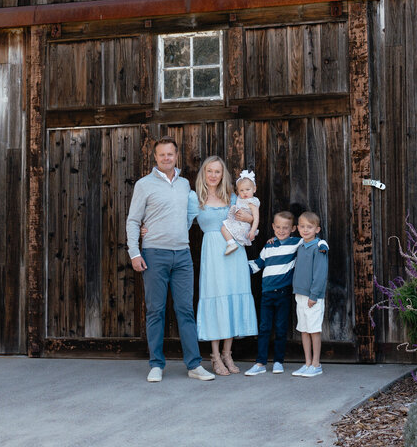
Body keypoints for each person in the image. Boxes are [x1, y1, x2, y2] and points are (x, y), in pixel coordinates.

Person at [125, 137, 216, 382]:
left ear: (176, 156)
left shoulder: (186, 184)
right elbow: (134, 220)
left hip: (183, 255)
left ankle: (194, 365)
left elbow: (188, 216)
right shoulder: (144, 185)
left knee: (186, 310)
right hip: (154, 254)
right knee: (155, 310)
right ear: (155, 157)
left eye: (170, 154)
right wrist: (135, 252)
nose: (166, 158)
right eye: (162, 155)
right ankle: (156, 364)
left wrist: (175, 229)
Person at [193, 156, 258, 375]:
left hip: (235, 252)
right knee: (216, 297)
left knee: (231, 298)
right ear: (204, 173)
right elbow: (176, 220)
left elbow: (250, 217)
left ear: (223, 175)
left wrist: (249, 220)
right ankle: (214, 356)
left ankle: (227, 354)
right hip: (212, 252)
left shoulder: (233, 197)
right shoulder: (195, 198)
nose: (213, 175)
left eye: (217, 172)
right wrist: (149, 229)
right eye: (209, 171)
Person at [244, 210, 301, 376]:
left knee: (281, 328)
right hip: (267, 293)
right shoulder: (269, 245)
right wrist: (238, 268)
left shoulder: (296, 243)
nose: (281, 230)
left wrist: (322, 245)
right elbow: (257, 265)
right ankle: (260, 363)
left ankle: (278, 361)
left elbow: (312, 240)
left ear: (293, 229)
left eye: (285, 227)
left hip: (283, 293)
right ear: (273, 227)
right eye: (278, 227)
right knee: (264, 328)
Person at [291, 211, 329, 377]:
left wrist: (314, 295)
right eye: (302, 226)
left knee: (314, 330)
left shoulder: (319, 247)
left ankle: (316, 364)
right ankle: (307, 363)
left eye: (310, 227)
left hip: (313, 297)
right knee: (304, 330)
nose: (305, 230)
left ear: (317, 229)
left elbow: (320, 274)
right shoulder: (300, 246)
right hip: (300, 295)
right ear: (297, 228)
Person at [220, 170, 260, 254]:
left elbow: (256, 219)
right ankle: (231, 244)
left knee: (224, 228)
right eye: (241, 190)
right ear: (238, 192)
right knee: (224, 228)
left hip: (243, 226)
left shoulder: (252, 203)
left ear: (254, 189)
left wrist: (252, 231)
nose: (245, 192)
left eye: (247, 189)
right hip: (238, 223)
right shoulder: (240, 198)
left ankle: (231, 244)